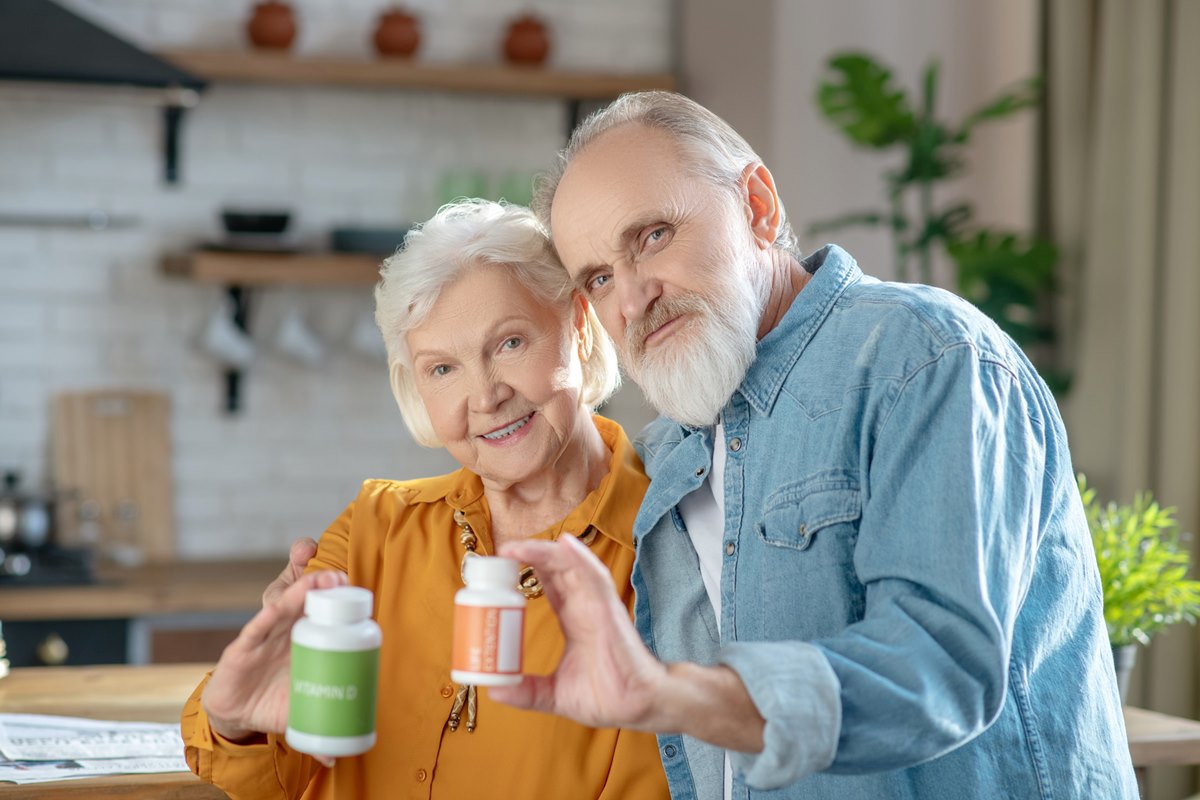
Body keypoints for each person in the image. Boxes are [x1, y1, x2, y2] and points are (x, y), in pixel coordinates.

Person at [482, 91, 1140, 799]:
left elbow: (938, 664)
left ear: (758, 207)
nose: (633, 298)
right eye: (600, 278)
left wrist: (674, 695)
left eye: (653, 236)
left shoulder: (928, 357)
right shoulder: (669, 451)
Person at [179, 199, 670, 800]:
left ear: (578, 325)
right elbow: (276, 779)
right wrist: (237, 724)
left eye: (510, 342)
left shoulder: (671, 541)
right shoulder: (375, 529)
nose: (485, 396)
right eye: (442, 370)